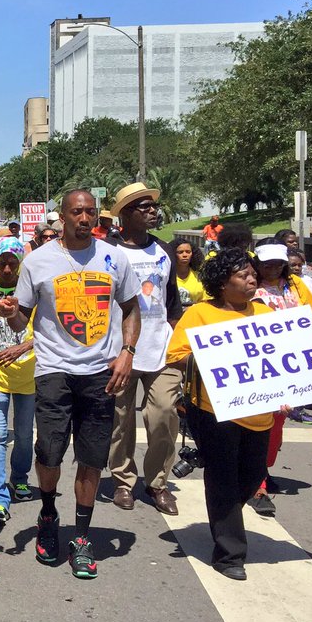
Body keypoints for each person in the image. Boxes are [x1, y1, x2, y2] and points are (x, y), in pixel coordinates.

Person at [0, 189, 140, 580]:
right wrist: (10, 314)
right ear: (62, 216)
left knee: (92, 458)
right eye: (77, 211)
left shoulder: (115, 257)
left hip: (100, 372)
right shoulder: (38, 261)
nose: (84, 217)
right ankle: (47, 512)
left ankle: (80, 536)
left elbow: (131, 308)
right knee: (50, 452)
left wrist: (127, 351)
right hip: (53, 370)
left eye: (90, 211)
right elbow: (20, 319)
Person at [166, 249, 278, 580]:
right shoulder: (201, 314)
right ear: (222, 283)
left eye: (252, 273)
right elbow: (176, 355)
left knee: (251, 475)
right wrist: (213, 360)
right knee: (224, 479)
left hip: (260, 413)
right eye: (242, 274)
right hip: (213, 412)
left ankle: (223, 517)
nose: (251, 278)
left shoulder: (265, 312)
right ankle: (229, 554)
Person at [105, 184, 184, 515]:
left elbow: (172, 302)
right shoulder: (106, 251)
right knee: (119, 420)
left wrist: (183, 345)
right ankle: (124, 481)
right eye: (143, 207)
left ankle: (157, 482)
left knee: (164, 413)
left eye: (154, 206)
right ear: (125, 214)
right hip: (118, 350)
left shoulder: (164, 250)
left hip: (160, 349)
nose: (153, 211)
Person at [247, 240, 312, 517]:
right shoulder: (248, 286)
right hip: (257, 363)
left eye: (277, 264)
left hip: (290, 364)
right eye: (266, 264)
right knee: (258, 420)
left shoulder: (297, 286)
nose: (271, 268)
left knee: (277, 423)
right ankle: (257, 484)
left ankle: (262, 470)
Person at [0, 239, 36, 511]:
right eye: (1, 263)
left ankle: (19, 478)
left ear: (20, 264)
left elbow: (47, 331)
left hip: (28, 375)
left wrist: (23, 346)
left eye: (12, 263)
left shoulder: (31, 291)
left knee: (25, 434)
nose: (6, 268)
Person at [276, 229, 312, 297]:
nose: (295, 243)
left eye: (300, 264)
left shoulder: (305, 274)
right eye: (291, 242)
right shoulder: (276, 274)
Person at [170, 237, 205, 306]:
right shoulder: (167, 276)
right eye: (180, 252)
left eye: (188, 252)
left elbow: (206, 301)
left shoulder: (199, 276)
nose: (185, 255)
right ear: (173, 254)